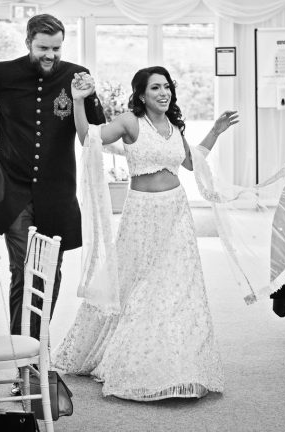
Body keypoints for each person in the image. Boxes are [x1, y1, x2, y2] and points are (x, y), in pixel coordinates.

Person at [53, 66, 238, 401]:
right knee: (135, 284)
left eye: (167, 87)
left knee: (174, 289)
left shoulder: (173, 125)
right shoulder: (129, 121)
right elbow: (88, 139)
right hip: (141, 215)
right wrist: (79, 102)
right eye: (156, 88)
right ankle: (128, 361)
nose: (164, 93)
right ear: (141, 94)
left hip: (176, 213)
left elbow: (192, 163)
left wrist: (216, 130)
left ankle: (178, 367)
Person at [0, 13, 105, 339]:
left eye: (56, 48)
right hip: (12, 190)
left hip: (57, 192)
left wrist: (88, 97)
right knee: (25, 272)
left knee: (49, 273)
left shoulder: (75, 75)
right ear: (28, 42)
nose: (50, 55)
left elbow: (94, 131)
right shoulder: (3, 73)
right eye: (43, 47)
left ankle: (35, 350)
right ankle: (23, 360)